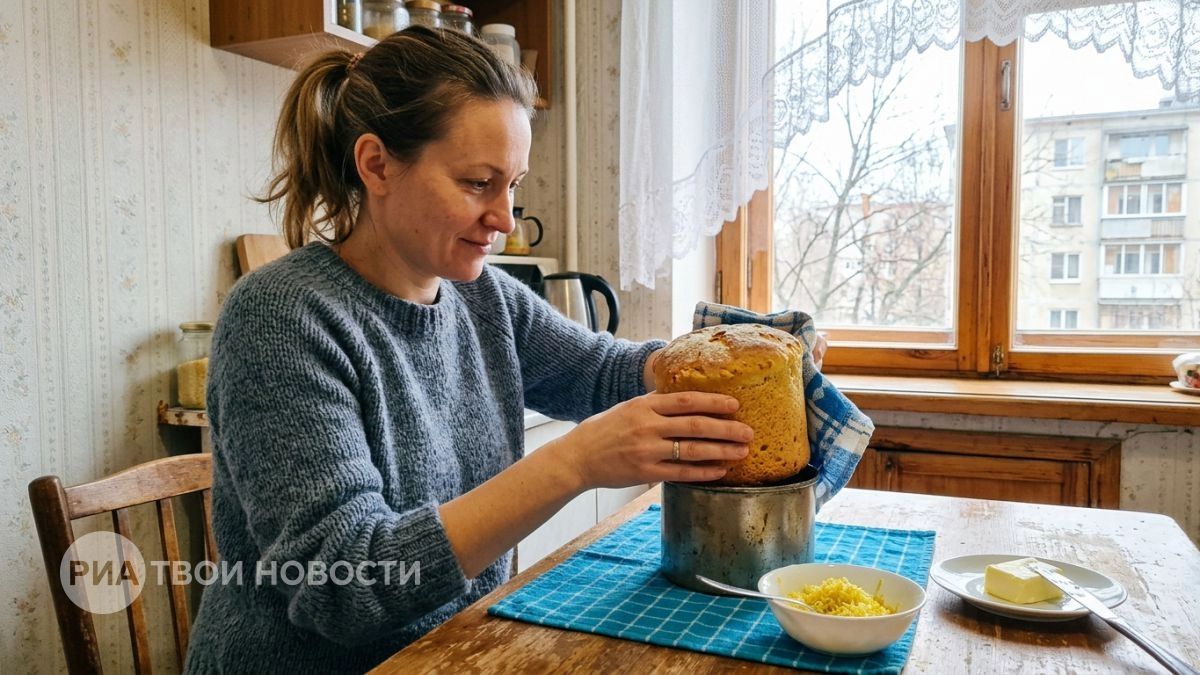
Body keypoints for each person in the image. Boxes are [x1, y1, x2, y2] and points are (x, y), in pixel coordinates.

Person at [183, 26, 757, 674]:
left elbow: (601, 370)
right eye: (478, 182)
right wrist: (574, 462)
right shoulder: (281, 319)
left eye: (513, 184)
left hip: (455, 652)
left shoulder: (484, 297)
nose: (506, 218)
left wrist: (732, 352)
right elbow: (344, 585)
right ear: (376, 165)